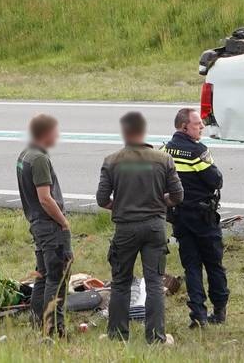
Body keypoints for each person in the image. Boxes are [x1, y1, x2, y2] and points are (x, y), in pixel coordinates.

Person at [96, 111, 184, 344]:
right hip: (154, 227)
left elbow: (102, 199)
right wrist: (159, 203)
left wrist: (121, 206)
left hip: (125, 228)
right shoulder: (163, 159)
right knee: (154, 283)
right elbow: (178, 195)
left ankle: (116, 335)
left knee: (121, 281)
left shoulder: (112, 161)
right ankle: (156, 338)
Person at [161, 108, 228, 328]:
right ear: (184, 127)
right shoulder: (198, 151)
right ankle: (219, 311)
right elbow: (215, 180)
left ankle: (198, 315)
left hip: (179, 217)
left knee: (191, 266)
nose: (201, 127)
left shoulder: (164, 151)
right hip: (203, 217)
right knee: (214, 264)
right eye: (197, 124)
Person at [16, 114, 71, 339]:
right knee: (57, 278)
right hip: (49, 226)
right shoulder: (39, 159)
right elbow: (46, 198)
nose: (57, 136)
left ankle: (37, 321)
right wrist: (63, 222)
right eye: (55, 132)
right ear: (45, 133)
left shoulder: (25, 155)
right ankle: (54, 329)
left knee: (42, 275)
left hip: (37, 224)